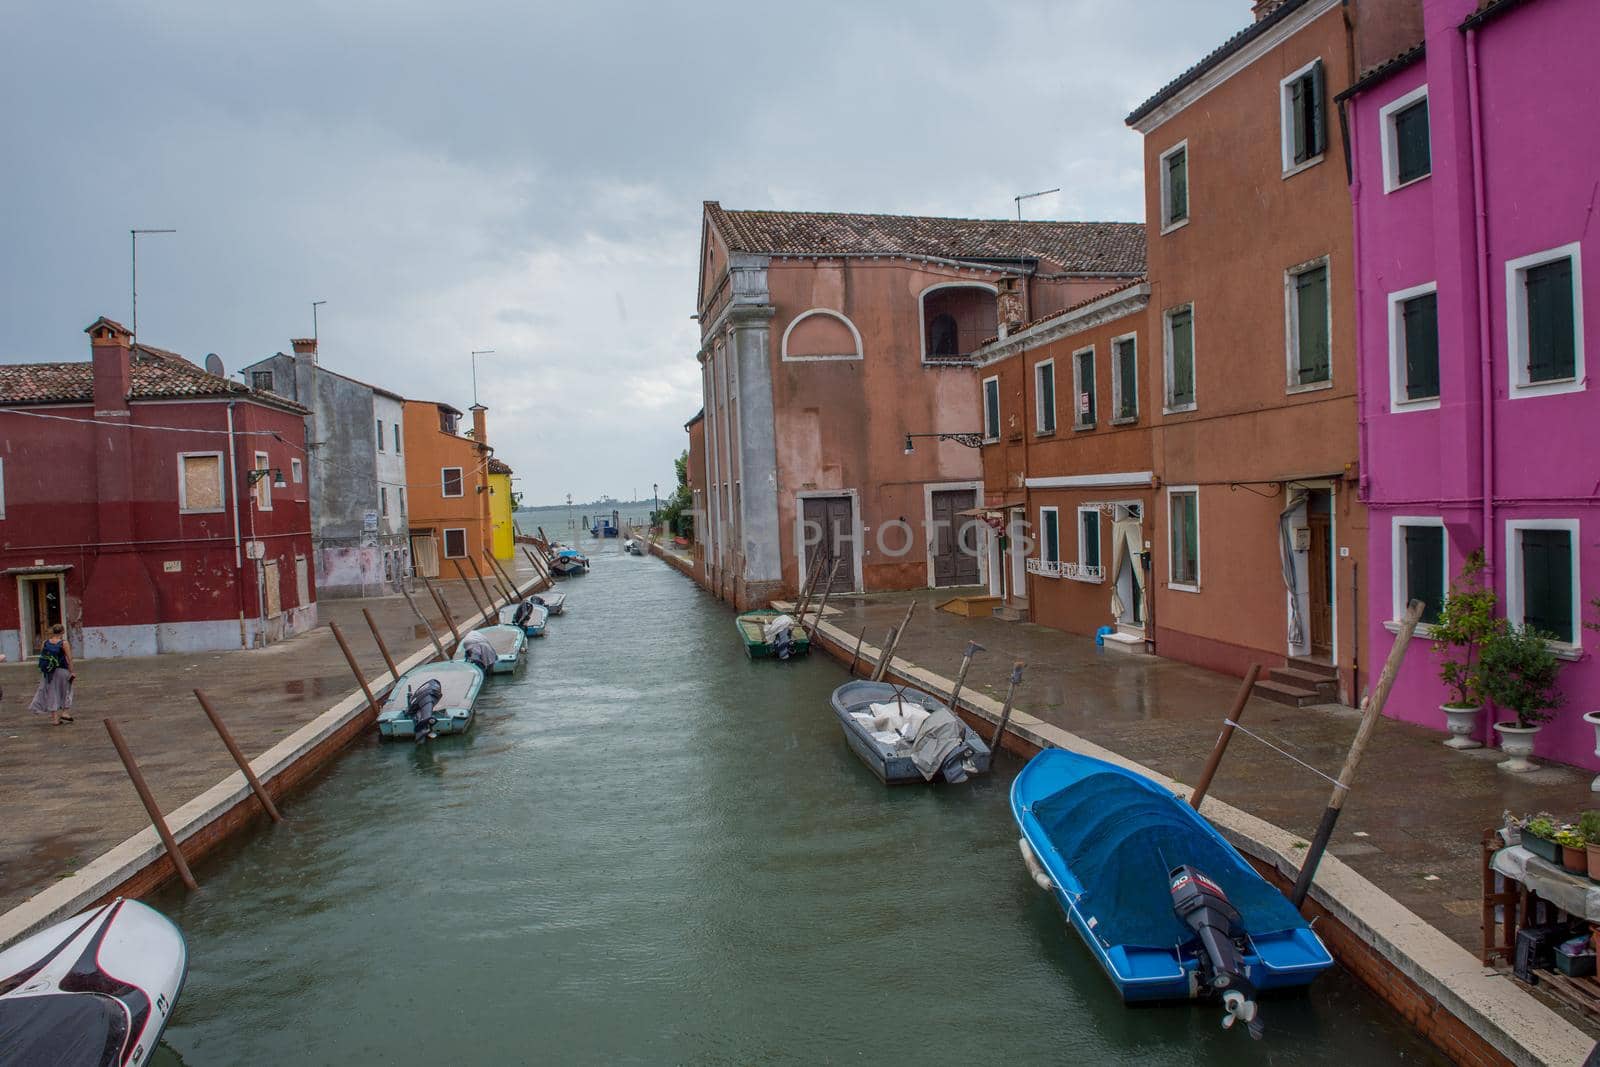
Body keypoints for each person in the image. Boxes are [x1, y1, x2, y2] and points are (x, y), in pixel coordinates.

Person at [30, 624, 75, 726]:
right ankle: (65, 712)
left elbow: (43, 656)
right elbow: (69, 659)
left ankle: (55, 720)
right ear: (62, 632)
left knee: (52, 693)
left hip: (49, 672)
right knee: (67, 690)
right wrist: (72, 671)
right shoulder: (64, 643)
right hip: (62, 670)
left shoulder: (45, 642)